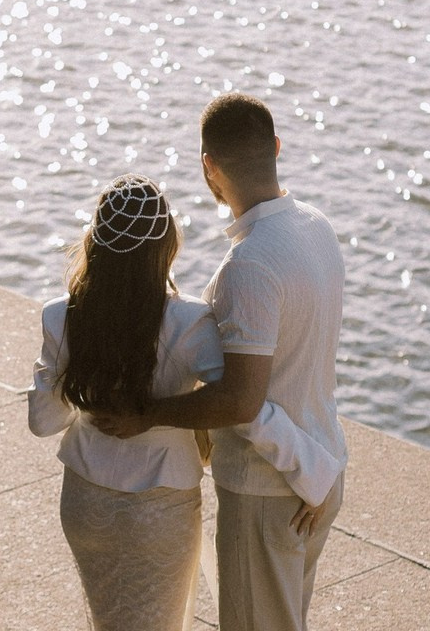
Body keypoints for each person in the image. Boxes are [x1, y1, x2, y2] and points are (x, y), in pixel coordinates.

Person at [28, 172, 340, 631]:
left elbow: (43, 421)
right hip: (158, 510)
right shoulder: (189, 321)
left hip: (84, 504)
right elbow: (242, 407)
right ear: (167, 244)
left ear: (94, 241)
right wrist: (314, 470)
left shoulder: (60, 315)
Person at [95, 94, 347, 631]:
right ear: (277, 148)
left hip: (271, 488)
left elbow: (240, 399)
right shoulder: (316, 227)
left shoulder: (249, 265)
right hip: (316, 466)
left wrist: (147, 413)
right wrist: (324, 470)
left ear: (208, 167)